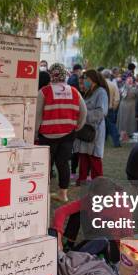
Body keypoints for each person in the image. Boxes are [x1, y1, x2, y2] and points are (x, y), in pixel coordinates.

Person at [36, 63, 87, 202]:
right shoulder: (74, 91)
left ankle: (41, 193)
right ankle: (63, 194)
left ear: (51, 74)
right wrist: (77, 126)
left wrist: (35, 132)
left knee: (46, 165)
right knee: (63, 164)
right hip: (68, 134)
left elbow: (37, 115)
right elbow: (84, 112)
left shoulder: (44, 91)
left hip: (47, 135)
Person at [74, 69, 109, 184]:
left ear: (93, 79)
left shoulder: (101, 92)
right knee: (83, 154)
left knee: (94, 156)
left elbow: (101, 112)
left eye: (87, 79)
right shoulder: (89, 91)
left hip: (95, 129)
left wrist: (84, 115)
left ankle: (98, 182)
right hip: (85, 129)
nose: (85, 81)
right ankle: (82, 179)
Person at [102, 69, 121, 147]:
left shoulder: (100, 85)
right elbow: (117, 98)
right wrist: (114, 107)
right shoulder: (113, 85)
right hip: (110, 108)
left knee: (102, 126)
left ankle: (102, 141)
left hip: (101, 108)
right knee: (112, 125)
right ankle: (116, 142)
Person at [117, 76, 138, 141]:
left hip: (129, 105)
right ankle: (124, 133)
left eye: (130, 80)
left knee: (130, 119)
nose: (129, 81)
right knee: (125, 119)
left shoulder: (124, 88)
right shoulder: (124, 88)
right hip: (126, 104)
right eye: (128, 80)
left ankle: (129, 133)